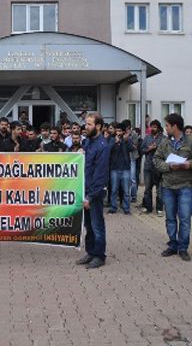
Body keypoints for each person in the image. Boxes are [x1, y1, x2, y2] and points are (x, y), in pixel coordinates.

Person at [153, 113, 192, 262]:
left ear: (175, 126)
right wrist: (168, 167)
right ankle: (172, 245)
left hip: (185, 186)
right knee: (170, 218)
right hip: (168, 185)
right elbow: (156, 159)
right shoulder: (164, 142)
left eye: (167, 126)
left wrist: (190, 164)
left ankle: (183, 248)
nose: (165, 128)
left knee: (184, 218)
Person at [76, 113, 110, 269]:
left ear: (98, 126)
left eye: (89, 124)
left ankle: (99, 255)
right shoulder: (87, 142)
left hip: (94, 193)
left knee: (97, 225)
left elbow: (100, 175)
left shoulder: (103, 146)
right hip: (85, 190)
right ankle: (90, 252)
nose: (86, 127)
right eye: (86, 124)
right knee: (88, 225)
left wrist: (90, 196)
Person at [108, 123, 135, 215]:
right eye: (117, 130)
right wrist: (115, 142)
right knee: (114, 190)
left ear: (123, 132)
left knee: (126, 191)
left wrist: (124, 141)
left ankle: (126, 208)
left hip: (125, 168)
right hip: (114, 169)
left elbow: (131, 149)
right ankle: (113, 207)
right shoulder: (111, 139)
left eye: (120, 131)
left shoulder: (127, 140)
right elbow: (107, 150)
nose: (118, 132)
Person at [140, 120, 165, 215]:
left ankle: (159, 209)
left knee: (159, 190)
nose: (152, 129)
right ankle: (148, 207)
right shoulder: (147, 138)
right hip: (148, 167)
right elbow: (141, 150)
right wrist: (148, 149)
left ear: (158, 128)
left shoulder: (163, 138)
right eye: (151, 127)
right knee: (147, 189)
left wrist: (156, 147)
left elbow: (166, 151)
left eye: (154, 127)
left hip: (159, 167)